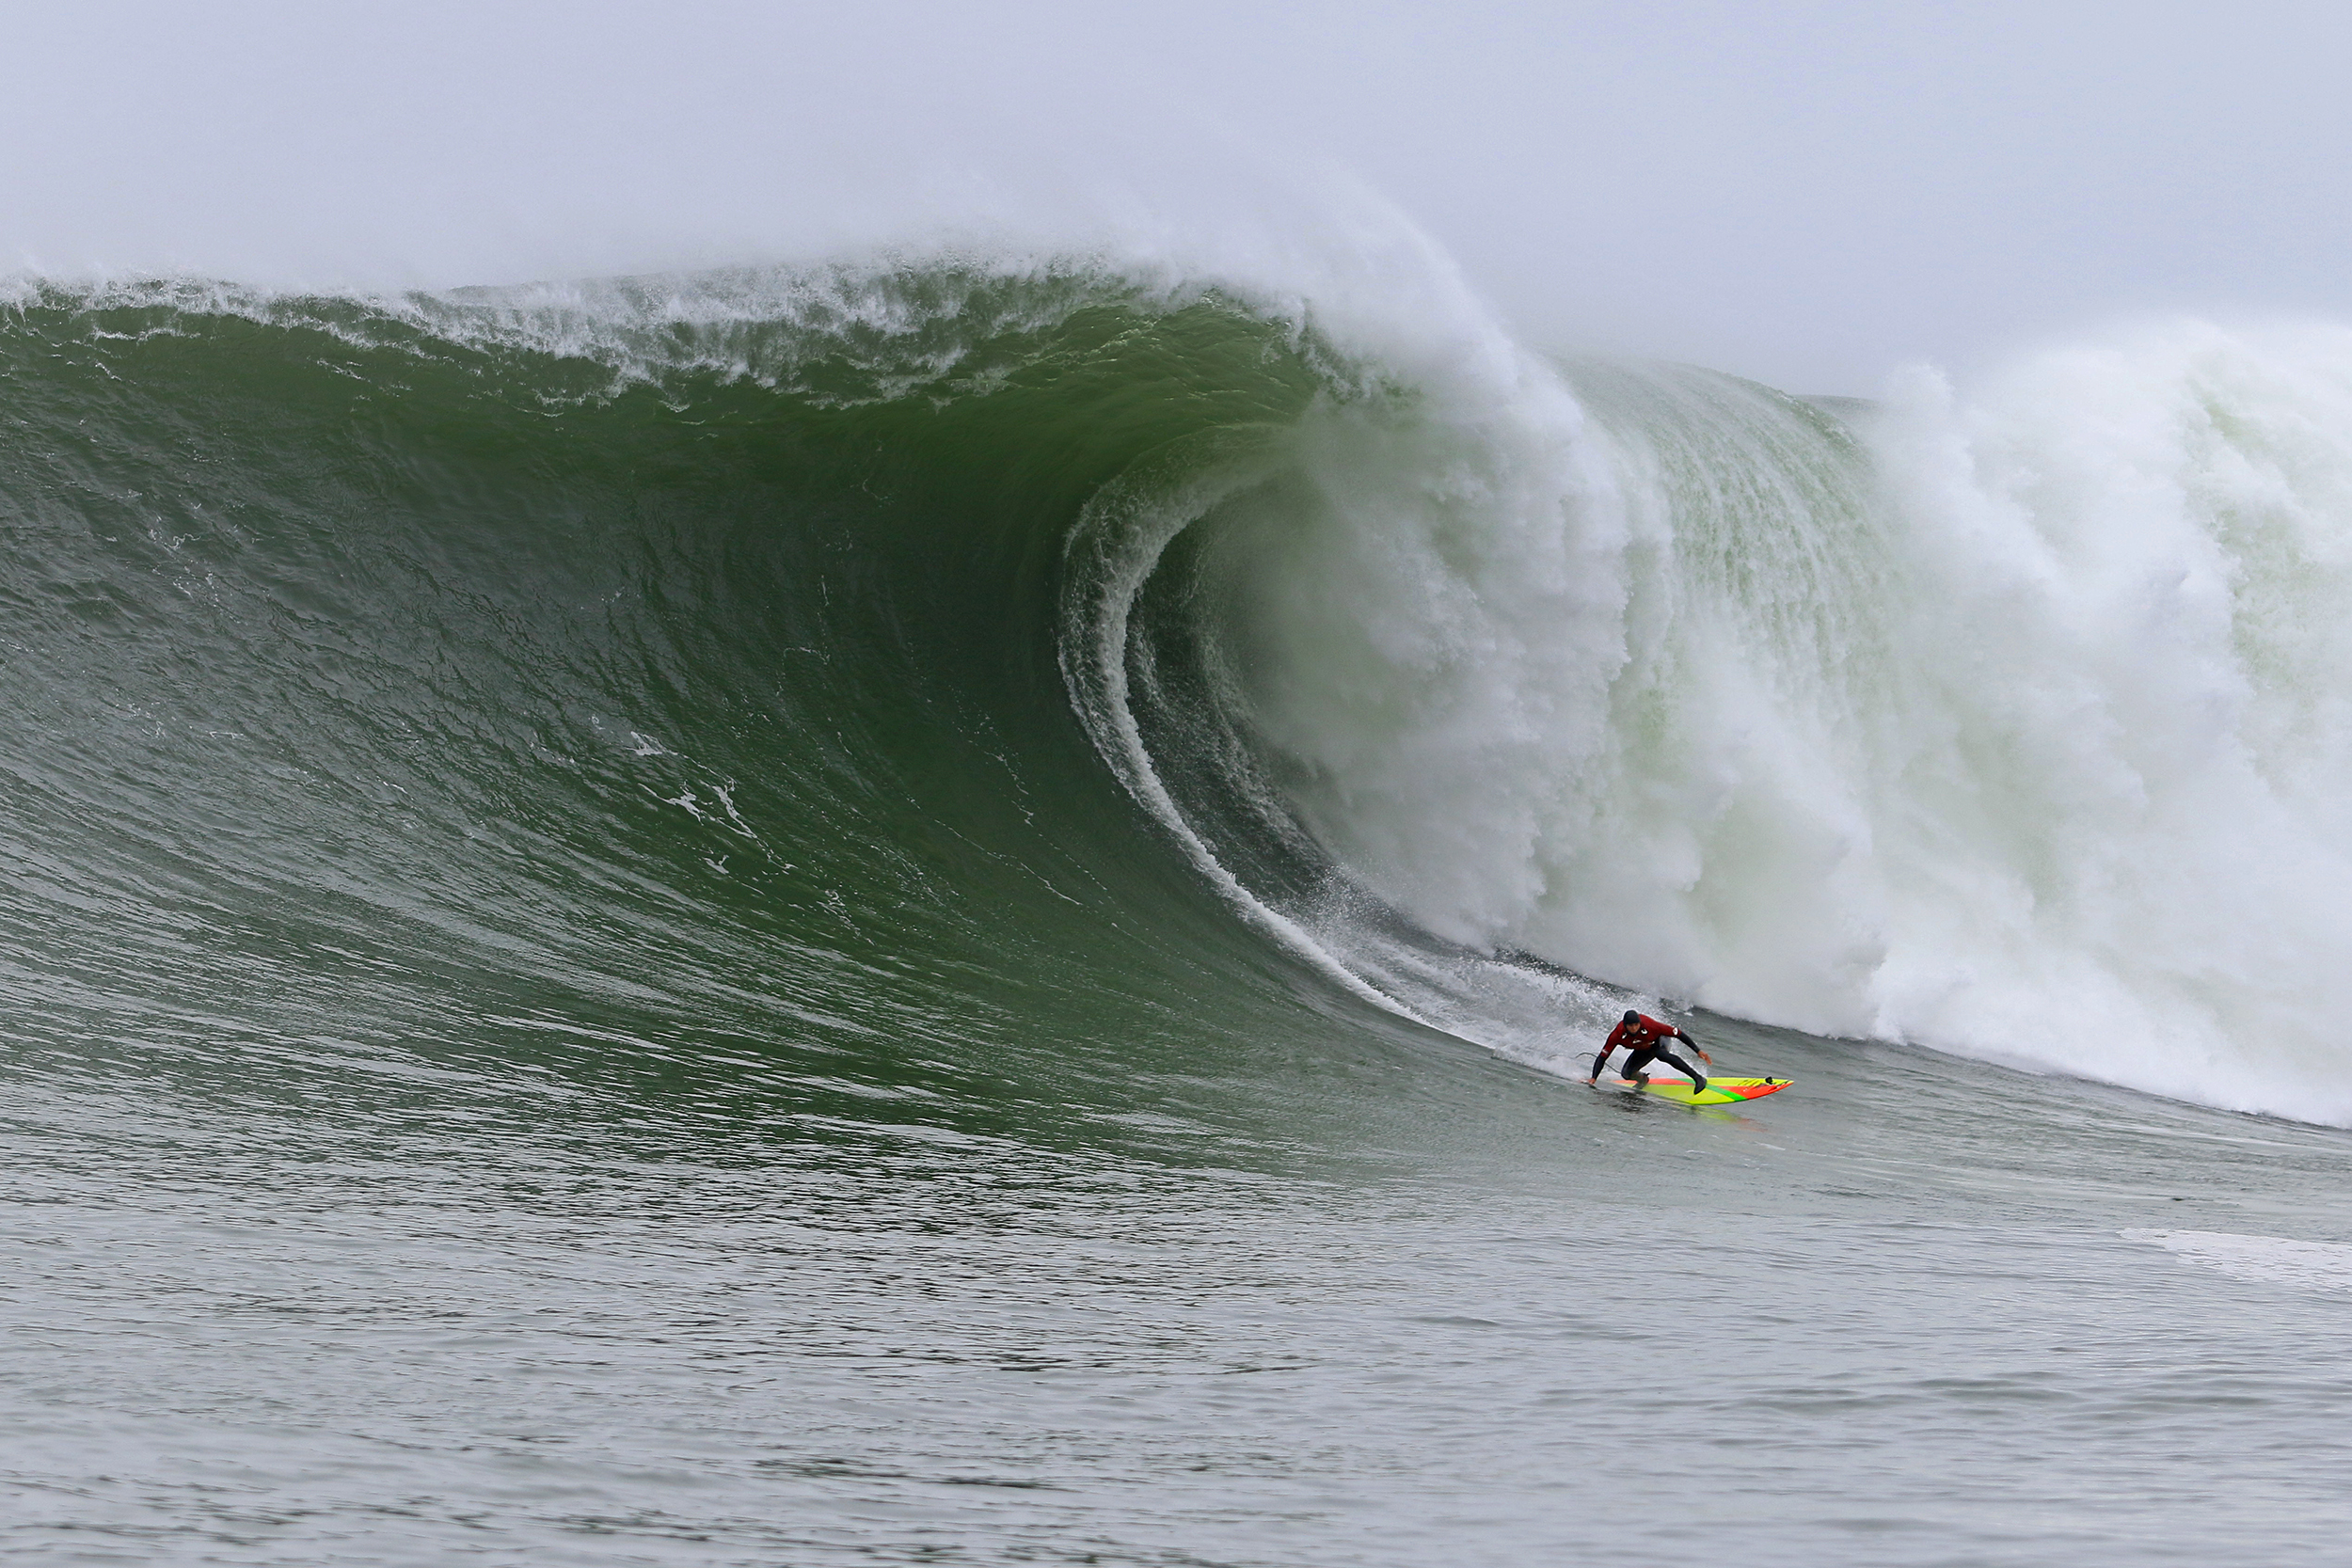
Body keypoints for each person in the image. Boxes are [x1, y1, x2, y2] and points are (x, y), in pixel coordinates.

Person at [1588, 1008, 1711, 1094]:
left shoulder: (1650, 1025)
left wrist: (1697, 1050)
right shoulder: (1617, 1035)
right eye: (1631, 1026)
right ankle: (1643, 1080)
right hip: (1643, 1049)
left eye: (1636, 1024)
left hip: (1660, 1041)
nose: (1634, 1028)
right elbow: (1603, 1056)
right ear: (1625, 1025)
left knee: (1661, 1054)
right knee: (1626, 1074)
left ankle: (1698, 1078)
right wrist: (1594, 1078)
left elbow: (1678, 1033)